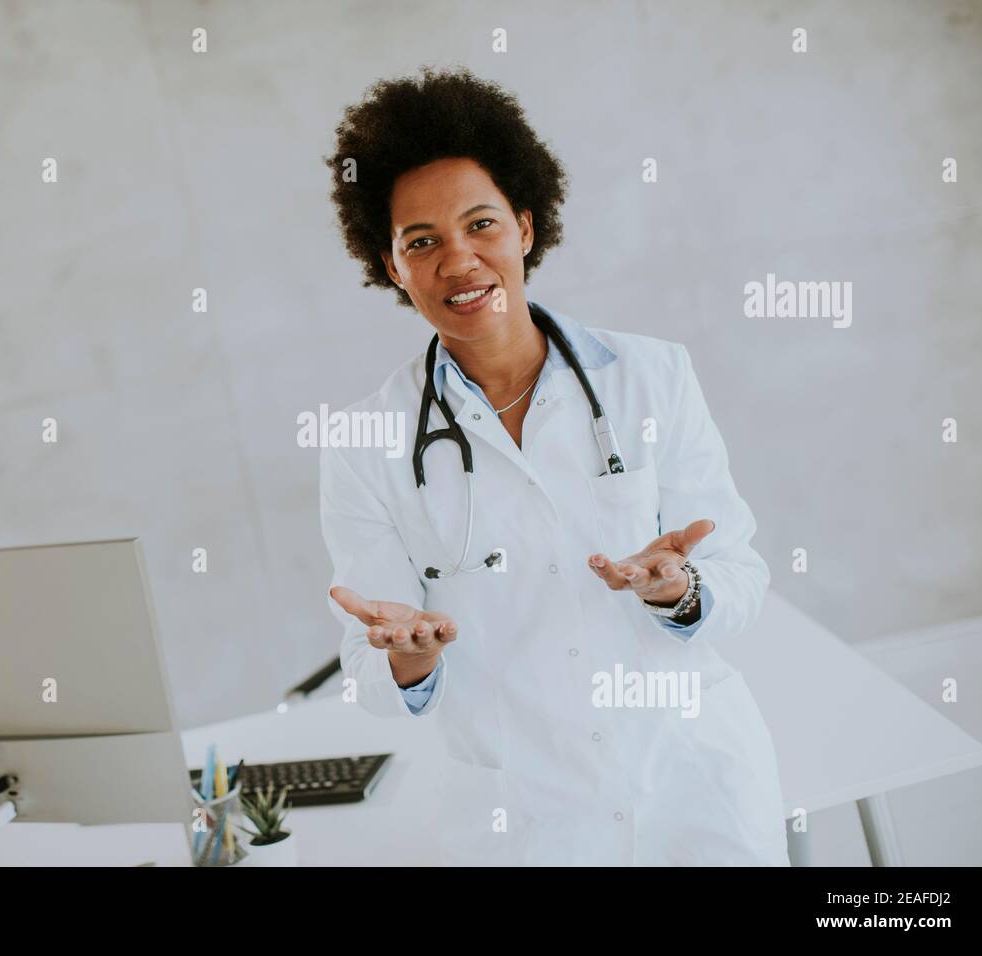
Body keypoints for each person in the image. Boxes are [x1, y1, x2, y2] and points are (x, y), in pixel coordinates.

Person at [319, 67, 788, 865]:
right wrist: (408, 653)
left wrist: (679, 588)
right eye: (421, 242)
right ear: (391, 267)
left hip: (694, 782)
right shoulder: (364, 442)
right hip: (526, 814)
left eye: (481, 225)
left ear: (526, 228)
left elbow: (740, 576)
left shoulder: (651, 377)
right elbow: (369, 675)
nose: (460, 260)